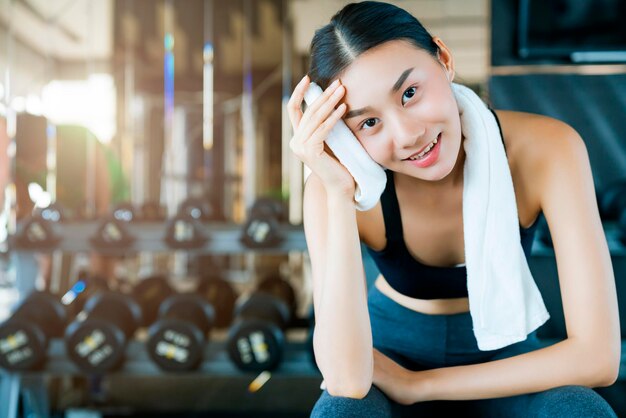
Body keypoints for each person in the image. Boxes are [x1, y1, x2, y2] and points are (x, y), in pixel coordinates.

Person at [287, 2, 620, 417]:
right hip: (391, 351)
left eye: (410, 93)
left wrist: (422, 386)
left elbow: (598, 358)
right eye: (368, 123)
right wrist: (335, 193)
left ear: (444, 59)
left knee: (580, 411)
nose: (407, 136)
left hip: (505, 359)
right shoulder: (335, 186)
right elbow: (346, 381)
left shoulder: (550, 149)